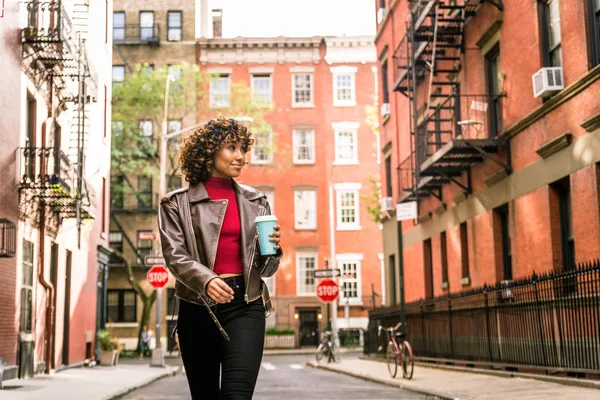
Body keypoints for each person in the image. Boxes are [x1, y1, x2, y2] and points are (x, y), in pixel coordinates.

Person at [158, 116, 282, 399]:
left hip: (246, 304)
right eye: (231, 148)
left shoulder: (256, 201)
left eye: (243, 148)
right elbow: (174, 254)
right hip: (198, 306)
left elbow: (267, 268)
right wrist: (206, 279)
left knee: (236, 396)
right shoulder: (175, 203)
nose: (240, 156)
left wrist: (273, 248)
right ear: (209, 152)